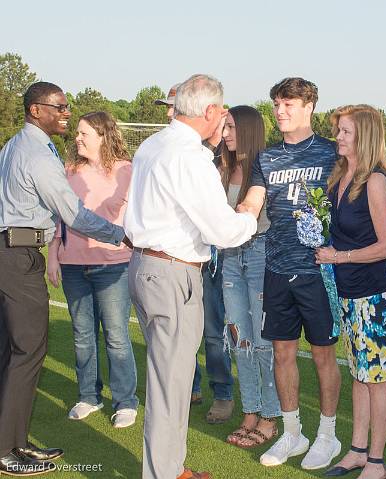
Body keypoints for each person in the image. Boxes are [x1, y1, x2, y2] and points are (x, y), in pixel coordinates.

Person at [125, 74, 257, 479]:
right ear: (211, 111)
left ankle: (171, 467)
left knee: (173, 380)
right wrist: (250, 209)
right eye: (221, 112)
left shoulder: (154, 144)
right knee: (171, 385)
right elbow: (221, 230)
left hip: (148, 267)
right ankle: (164, 473)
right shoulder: (190, 156)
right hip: (171, 273)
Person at [0, 81, 128, 476]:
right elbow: (73, 214)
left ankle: (15, 442)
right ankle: (7, 451)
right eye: (59, 107)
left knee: (12, 351)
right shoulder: (35, 154)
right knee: (27, 352)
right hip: (17, 256)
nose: (67, 113)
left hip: (15, 253)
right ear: (36, 110)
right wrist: (120, 234)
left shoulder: (17, 145)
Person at [238, 77, 342, 470]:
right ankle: (292, 432)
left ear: (309, 106)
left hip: (319, 271)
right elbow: (254, 201)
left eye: (289, 105)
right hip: (277, 268)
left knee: (322, 355)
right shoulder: (266, 158)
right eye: (277, 105)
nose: (280, 112)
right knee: (282, 352)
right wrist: (240, 215)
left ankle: (328, 437)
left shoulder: (332, 153)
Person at [315, 105, 386, 479]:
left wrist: (340, 256)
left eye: (346, 131)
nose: (339, 137)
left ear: (363, 135)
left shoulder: (375, 181)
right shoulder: (341, 176)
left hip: (374, 295)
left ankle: (376, 463)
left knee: (375, 379)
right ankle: (358, 451)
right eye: (338, 131)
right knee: (359, 375)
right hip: (347, 293)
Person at [46, 111, 139, 428]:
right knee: (83, 335)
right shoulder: (69, 170)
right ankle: (88, 396)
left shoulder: (127, 170)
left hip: (113, 266)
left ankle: (125, 402)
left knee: (116, 336)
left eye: (84, 133)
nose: (77, 137)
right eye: (77, 133)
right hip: (72, 264)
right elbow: (59, 216)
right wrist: (53, 253)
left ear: (103, 136)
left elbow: (134, 216)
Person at [155, 83, 235, 418]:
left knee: (213, 330)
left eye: (174, 107)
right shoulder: (169, 150)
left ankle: (223, 391)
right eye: (167, 107)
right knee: (181, 338)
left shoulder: (214, 153)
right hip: (180, 259)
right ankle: (191, 386)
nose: (169, 113)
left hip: (212, 259)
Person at [220, 106, 281, 449]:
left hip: (260, 257)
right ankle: (250, 411)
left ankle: (270, 416)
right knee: (238, 338)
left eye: (231, 127)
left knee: (263, 340)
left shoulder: (269, 167)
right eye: (224, 126)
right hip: (230, 258)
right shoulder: (223, 168)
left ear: (248, 129)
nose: (225, 133)